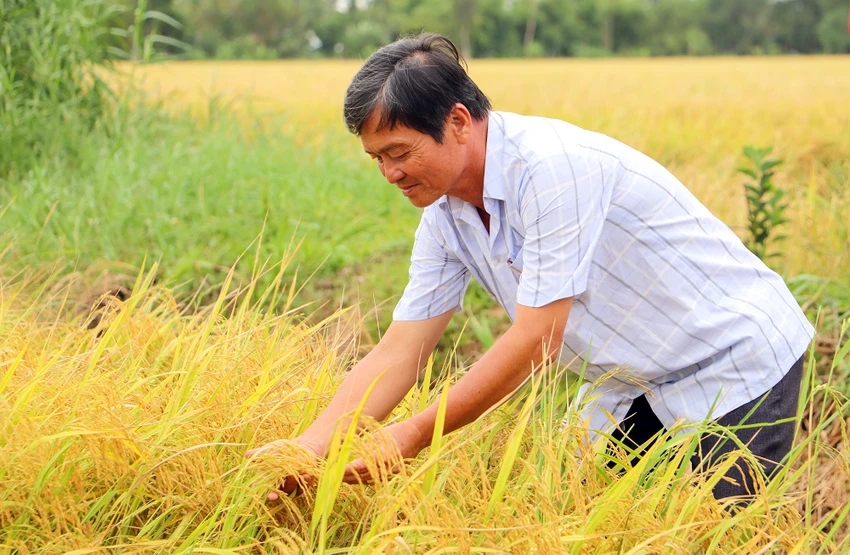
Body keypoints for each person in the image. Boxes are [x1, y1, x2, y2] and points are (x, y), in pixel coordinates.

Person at [246, 33, 814, 500]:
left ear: (460, 121)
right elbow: (402, 349)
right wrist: (311, 448)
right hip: (631, 381)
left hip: (732, 361)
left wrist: (415, 433)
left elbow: (538, 339)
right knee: (563, 504)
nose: (389, 174)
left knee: (712, 534)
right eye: (377, 159)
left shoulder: (551, 170)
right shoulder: (444, 217)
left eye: (399, 152)